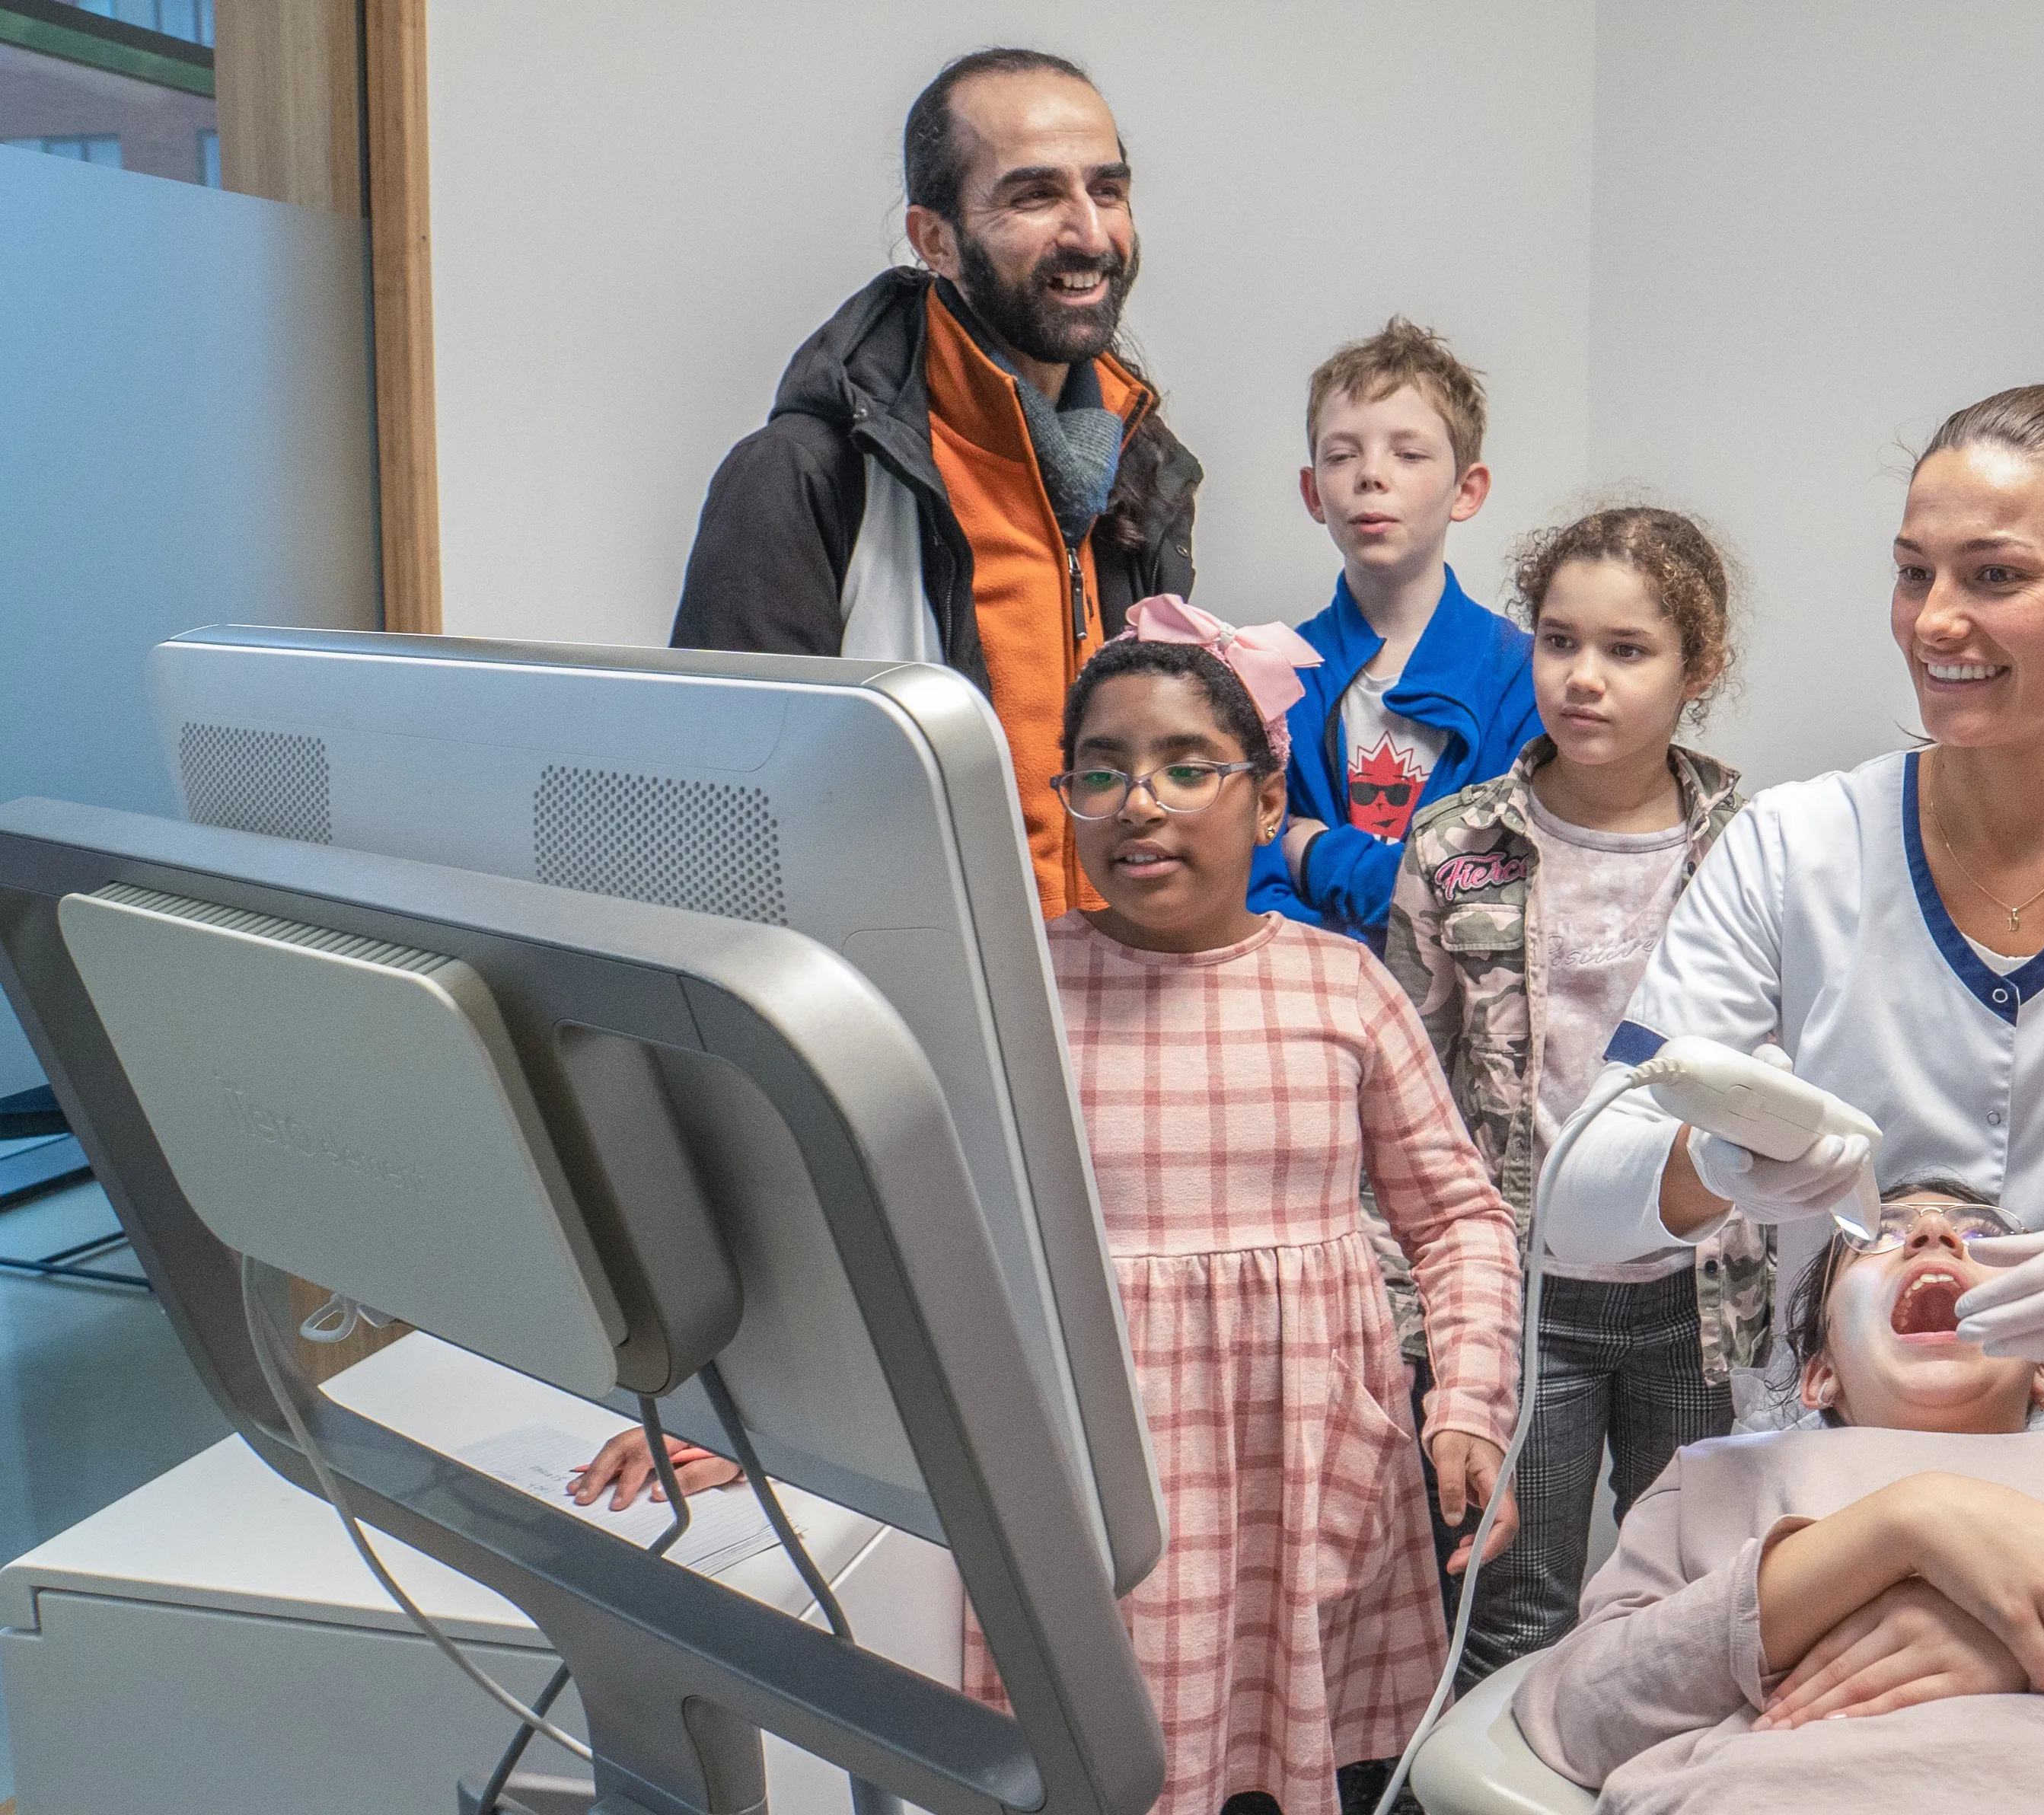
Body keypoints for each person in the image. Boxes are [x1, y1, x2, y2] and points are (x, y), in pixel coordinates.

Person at [576, 597, 1524, 1815]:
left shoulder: (1346, 989)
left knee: (1276, 1770)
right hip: (1084, 1477)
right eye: (1103, 772)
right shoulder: (1004, 990)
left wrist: (1473, 1403)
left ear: (1269, 799)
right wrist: (760, 1412)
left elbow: (1458, 1219)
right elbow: (877, 1226)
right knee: (1091, 1763)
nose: (1142, 801)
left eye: (1190, 768)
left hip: (1304, 1467)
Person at [1535, 383, 2044, 1461]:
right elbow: (1577, 1208)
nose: (1934, 621)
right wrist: (1714, 1166)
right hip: (1838, 1488)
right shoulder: (1793, 850)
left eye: (1996, 576)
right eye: (1913, 572)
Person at [1509, 1182, 2044, 1813]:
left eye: (1979, 1232)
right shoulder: (1717, 1476)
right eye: (1877, 1233)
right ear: (1816, 1374)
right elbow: (1580, 1716)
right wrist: (1905, 1521)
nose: (1934, 1235)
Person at [668, 47, 1203, 918]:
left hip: (1113, 1003)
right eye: (1035, 195)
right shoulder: (806, 476)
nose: (1090, 234)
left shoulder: (1141, 473)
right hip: (907, 1016)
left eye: (1107, 190)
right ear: (935, 239)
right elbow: (721, 832)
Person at [1383, 507, 1762, 1689]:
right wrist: (1421, 1331)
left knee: (1697, 1623)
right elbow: (1401, 1109)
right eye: (1557, 641)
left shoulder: (1753, 848)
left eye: (1627, 650)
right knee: (1511, 1623)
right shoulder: (1455, 846)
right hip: (1519, 1303)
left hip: (1702, 1304)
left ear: (1698, 670)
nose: (1582, 678)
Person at [1245, 320, 1540, 950]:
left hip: (1472, 1032)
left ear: (1467, 490)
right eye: (1342, 454)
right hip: (1319, 1013)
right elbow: (1251, 888)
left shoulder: (1522, 677)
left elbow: (1492, 898)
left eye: (1408, 454)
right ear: (1313, 492)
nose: (1371, 475)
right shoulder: (1268, 675)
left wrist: (1316, 852)